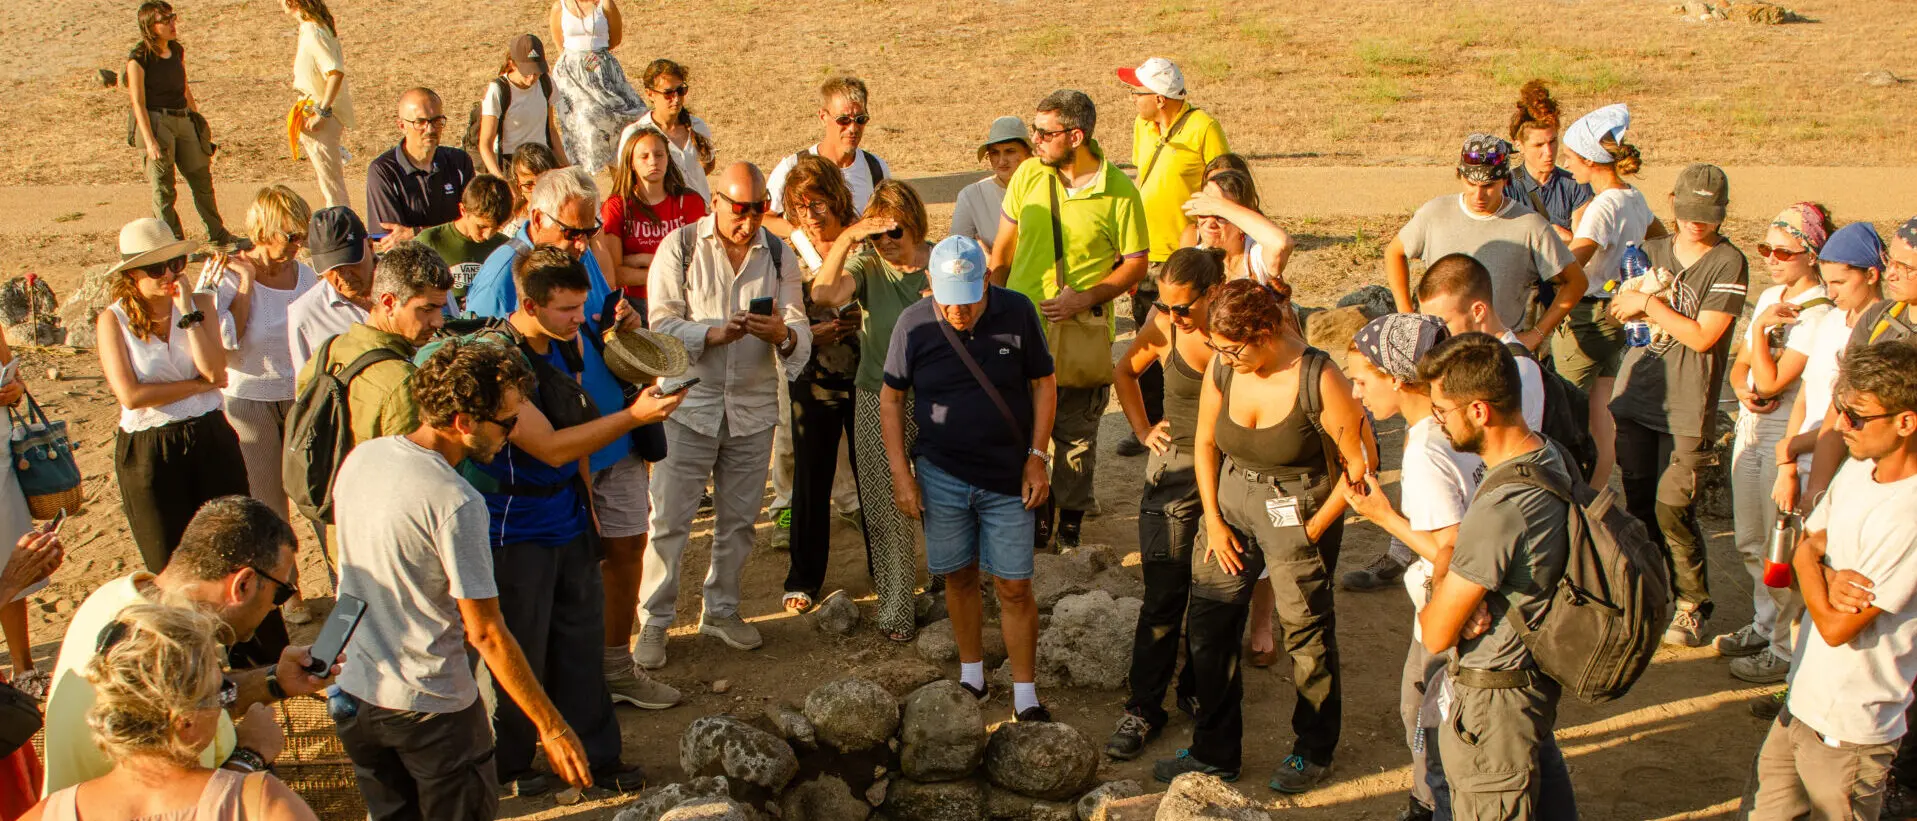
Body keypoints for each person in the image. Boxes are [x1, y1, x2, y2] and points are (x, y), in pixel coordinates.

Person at [331, 338, 591, 818]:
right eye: (506, 422)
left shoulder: (362, 459)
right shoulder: (457, 502)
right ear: (464, 423)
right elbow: (486, 631)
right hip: (433, 711)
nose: (512, 434)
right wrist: (551, 727)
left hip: (358, 696)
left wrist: (323, 658)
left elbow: (350, 580)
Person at [462, 248, 681, 794]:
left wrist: (588, 512)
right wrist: (633, 417)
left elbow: (574, 430)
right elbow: (552, 447)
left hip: (565, 517)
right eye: (565, 309)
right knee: (521, 648)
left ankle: (598, 759)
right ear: (529, 305)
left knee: (580, 643)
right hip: (513, 528)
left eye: (582, 306)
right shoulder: (498, 360)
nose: (578, 319)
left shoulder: (565, 343)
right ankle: (510, 767)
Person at [1163, 279, 1373, 793]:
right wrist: (1212, 518)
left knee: (1306, 633)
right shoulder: (1222, 366)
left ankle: (1312, 750)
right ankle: (1215, 751)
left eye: (1234, 349)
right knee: (1210, 624)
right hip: (1232, 500)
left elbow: (1362, 466)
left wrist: (1315, 528)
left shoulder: (1319, 378)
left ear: (1267, 330)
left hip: (1297, 507)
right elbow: (1207, 441)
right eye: (1218, 347)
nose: (1225, 358)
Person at [42, 496, 335, 795]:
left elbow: (200, 694)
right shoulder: (168, 654)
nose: (275, 607)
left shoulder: (116, 598)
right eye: (280, 593)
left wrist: (275, 681)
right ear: (243, 584)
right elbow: (182, 805)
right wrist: (250, 755)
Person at [640, 163, 811, 668]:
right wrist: (713, 333)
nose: (751, 220)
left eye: (760, 209)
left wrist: (781, 333)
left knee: (738, 524)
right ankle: (653, 621)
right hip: (688, 406)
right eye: (741, 209)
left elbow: (797, 323)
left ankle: (721, 610)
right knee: (669, 521)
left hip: (752, 409)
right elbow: (660, 323)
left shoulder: (779, 253)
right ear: (715, 201)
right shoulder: (681, 246)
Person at [882, 235, 1056, 720]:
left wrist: (1037, 456)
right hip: (942, 473)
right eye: (948, 300)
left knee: (1014, 585)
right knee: (957, 576)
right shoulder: (913, 324)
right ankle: (971, 674)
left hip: (1008, 475)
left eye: (969, 299)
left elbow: (1044, 383)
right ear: (931, 285)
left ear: (986, 280)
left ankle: (1026, 694)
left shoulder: (1018, 311)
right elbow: (891, 399)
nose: (959, 312)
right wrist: (902, 474)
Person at [1746, 343, 1917, 820]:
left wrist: (1809, 562)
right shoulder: (1860, 471)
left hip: (1851, 731)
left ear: (1905, 422)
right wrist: (1817, 565)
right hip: (1802, 703)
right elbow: (1808, 541)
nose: (1840, 426)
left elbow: (1837, 628)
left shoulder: (1910, 515)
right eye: (1840, 410)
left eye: (1856, 417)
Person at [1417, 332, 1578, 819]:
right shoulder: (1547, 455)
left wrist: (1443, 577)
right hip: (1533, 679)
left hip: (1495, 698)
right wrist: (1457, 568)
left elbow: (1436, 630)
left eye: (1442, 410)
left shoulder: (1502, 508)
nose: (1436, 421)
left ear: (1479, 411)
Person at [989, 89, 1149, 549]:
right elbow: (1003, 249)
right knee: (1019, 425)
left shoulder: (1119, 191)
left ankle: (1072, 526)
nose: (1033, 139)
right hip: (1019, 332)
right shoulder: (1027, 177)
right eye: (1034, 129)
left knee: (1076, 433)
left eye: (1043, 132)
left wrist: (1086, 298)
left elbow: (1137, 263)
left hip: (1079, 333)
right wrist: (993, 310)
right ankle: (1037, 519)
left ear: (1075, 136)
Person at [1608, 163, 1748, 647]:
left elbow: (1704, 336)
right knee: (1641, 504)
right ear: (1672, 202)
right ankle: (1654, 593)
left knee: (1675, 508)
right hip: (1638, 395)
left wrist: (1649, 304)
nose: (1697, 222)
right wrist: (1625, 301)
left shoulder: (1729, 262)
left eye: (1708, 214)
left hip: (1689, 405)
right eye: (1689, 211)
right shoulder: (1647, 252)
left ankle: (1693, 603)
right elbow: (1619, 314)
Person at [1338, 313, 1469, 821]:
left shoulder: (1425, 451)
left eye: (1362, 379)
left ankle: (1432, 806)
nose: (1355, 392)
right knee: (1419, 706)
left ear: (1396, 377)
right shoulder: (1450, 426)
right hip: (1455, 612)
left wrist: (1381, 516)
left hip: (1449, 615)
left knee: (1428, 714)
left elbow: (1449, 552)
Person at [26, 605, 318, 821]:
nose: (224, 708)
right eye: (222, 692)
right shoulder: (262, 804)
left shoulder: (46, 814)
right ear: (185, 720)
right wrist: (248, 761)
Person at [1104, 247, 1224, 760]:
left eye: (1181, 307)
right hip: (1174, 472)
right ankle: (1143, 708)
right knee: (1163, 593)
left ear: (1214, 293)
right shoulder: (1168, 329)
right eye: (1165, 306)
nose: (1171, 316)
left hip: (1226, 474)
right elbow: (1124, 371)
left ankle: (1198, 690)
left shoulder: (1237, 332)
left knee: (1216, 593)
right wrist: (1142, 428)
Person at [807, 179, 934, 638]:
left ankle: (944, 588)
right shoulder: (867, 264)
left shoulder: (941, 261)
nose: (885, 243)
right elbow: (824, 295)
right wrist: (846, 238)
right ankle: (898, 608)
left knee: (943, 497)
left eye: (893, 232)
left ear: (915, 224)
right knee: (885, 505)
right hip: (878, 396)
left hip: (938, 396)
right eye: (875, 234)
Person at [1714, 203, 1835, 684]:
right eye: (1766, 248)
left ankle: (1786, 649)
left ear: (1812, 254)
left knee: (1778, 549)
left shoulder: (1819, 312)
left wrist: (1761, 335)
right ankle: (1765, 625)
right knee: (1748, 540)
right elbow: (1743, 371)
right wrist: (1746, 387)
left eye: (1784, 251)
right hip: (1751, 428)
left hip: (1787, 438)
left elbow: (1771, 379)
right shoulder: (1770, 296)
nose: (1771, 258)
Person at [97, 219, 245, 574]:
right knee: (167, 562)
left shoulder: (200, 306)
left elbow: (216, 373)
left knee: (234, 552)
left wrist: (188, 314)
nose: (169, 274)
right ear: (132, 275)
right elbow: (131, 396)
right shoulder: (113, 321)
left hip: (210, 435)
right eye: (155, 268)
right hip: (150, 448)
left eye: (176, 264)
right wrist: (195, 387)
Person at [201, 186, 318, 622]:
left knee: (315, 493)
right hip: (248, 399)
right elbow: (224, 341)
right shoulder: (225, 275)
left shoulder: (304, 275)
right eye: (291, 235)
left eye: (302, 235)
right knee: (268, 506)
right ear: (265, 230)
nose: (297, 245)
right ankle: (288, 595)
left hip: (298, 397)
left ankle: (342, 581)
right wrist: (247, 286)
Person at [1385, 133, 1587, 349]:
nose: (1478, 195)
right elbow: (1394, 252)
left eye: (1489, 185)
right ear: (1459, 175)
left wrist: (1537, 334)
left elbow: (1576, 282)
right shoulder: (1434, 213)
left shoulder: (1531, 226)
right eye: (1471, 184)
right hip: (1440, 347)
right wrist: (1406, 314)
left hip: (1497, 350)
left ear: (1506, 180)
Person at [769, 154, 864, 596]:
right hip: (811, 374)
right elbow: (776, 316)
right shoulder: (786, 252)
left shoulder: (863, 240)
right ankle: (803, 580)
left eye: (818, 203)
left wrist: (859, 319)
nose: (809, 215)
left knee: (873, 479)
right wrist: (810, 333)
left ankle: (887, 571)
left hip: (868, 373)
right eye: (800, 206)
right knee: (811, 480)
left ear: (837, 199)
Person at [1557, 103, 1663, 489]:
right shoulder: (1633, 197)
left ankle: (1570, 488)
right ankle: (1599, 489)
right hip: (1619, 311)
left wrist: (1556, 247)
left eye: (1571, 157)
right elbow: (1658, 234)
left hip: (1589, 317)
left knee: (1566, 406)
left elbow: (1575, 264)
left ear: (1589, 159)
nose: (1566, 164)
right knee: (1602, 409)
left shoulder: (1602, 206)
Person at [295, 242, 452, 447]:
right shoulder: (403, 383)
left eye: (440, 309)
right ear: (388, 303)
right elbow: (408, 470)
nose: (438, 321)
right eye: (427, 309)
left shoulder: (328, 351)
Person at [125, 1, 234, 248]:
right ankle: (171, 244)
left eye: (173, 17)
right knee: (164, 189)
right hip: (156, 122)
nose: (173, 24)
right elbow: (138, 103)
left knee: (201, 179)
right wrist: (150, 141)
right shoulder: (139, 58)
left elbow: (185, 88)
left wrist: (197, 121)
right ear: (151, 27)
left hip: (183, 119)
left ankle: (217, 235)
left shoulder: (177, 51)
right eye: (165, 20)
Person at [1416, 255, 1546, 432]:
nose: (1435, 335)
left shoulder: (1515, 370)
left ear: (1478, 311)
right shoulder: (1479, 360)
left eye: (1443, 323)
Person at [465, 167, 616, 321]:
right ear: (538, 220)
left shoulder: (576, 252)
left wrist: (622, 323)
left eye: (590, 232)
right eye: (572, 233)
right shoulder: (499, 280)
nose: (583, 245)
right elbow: (479, 341)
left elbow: (602, 310)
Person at [765, 76, 892, 237]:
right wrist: (801, 234)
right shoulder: (792, 167)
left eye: (861, 119)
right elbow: (763, 219)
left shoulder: (876, 169)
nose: (853, 128)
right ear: (823, 117)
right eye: (843, 120)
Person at [596, 126, 707, 306]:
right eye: (644, 156)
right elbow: (615, 274)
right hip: (635, 302)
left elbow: (700, 264)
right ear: (631, 162)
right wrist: (671, 269)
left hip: (683, 299)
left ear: (668, 159)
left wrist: (640, 260)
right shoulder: (617, 206)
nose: (653, 161)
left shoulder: (690, 201)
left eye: (659, 155)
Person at [365, 88, 475, 250]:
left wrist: (416, 232)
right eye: (420, 122)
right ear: (402, 125)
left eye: (437, 121)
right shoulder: (383, 171)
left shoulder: (460, 162)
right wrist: (453, 229)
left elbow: (474, 224)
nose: (430, 130)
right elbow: (394, 243)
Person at [547, 0, 645, 174]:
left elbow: (615, 39)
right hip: (571, 75)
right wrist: (578, 62)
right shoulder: (559, 7)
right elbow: (559, 43)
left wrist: (594, 57)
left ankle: (620, 176)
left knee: (629, 117)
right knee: (585, 121)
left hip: (603, 70)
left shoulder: (606, 4)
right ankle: (584, 178)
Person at [282, 0, 352, 209]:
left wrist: (322, 111)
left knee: (331, 186)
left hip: (319, 116)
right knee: (329, 182)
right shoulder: (314, 28)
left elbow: (335, 72)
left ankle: (342, 232)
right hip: (313, 111)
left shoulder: (313, 30)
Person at [286, 206, 374, 373]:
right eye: (332, 269)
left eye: (350, 263)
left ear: (370, 247)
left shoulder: (408, 287)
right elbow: (307, 390)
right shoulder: (305, 315)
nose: (343, 276)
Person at [1503, 80, 1591, 242]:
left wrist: (1569, 238)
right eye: (1539, 145)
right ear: (1519, 145)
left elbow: (1583, 245)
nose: (1549, 152)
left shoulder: (1576, 186)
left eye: (1552, 142)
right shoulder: (1505, 188)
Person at [616, 60, 716, 200]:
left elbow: (709, 163)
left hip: (700, 215)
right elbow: (626, 181)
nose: (676, 99)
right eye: (668, 93)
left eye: (681, 91)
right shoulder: (635, 134)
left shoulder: (698, 126)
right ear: (650, 94)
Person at [414, 174, 512, 308]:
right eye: (482, 226)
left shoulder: (505, 247)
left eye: (496, 228)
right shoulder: (429, 241)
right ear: (463, 210)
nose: (488, 235)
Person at [476, 34, 567, 178]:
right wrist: (502, 181)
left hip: (542, 159)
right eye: (527, 72)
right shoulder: (498, 90)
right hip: (512, 164)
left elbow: (550, 129)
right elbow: (485, 144)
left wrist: (566, 166)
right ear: (512, 64)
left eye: (536, 72)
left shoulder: (546, 83)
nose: (532, 78)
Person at [1185, 169, 1294, 285]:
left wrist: (1220, 207)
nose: (1210, 223)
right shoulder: (1194, 260)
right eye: (1204, 212)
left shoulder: (1255, 256)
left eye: (1221, 216)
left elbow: (1281, 244)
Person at [951, 117, 1032, 248]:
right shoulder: (971, 196)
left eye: (1010, 151)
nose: (1002, 161)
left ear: (1028, 152)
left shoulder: (1044, 188)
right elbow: (957, 250)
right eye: (994, 153)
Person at [505, 144, 560, 235]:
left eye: (542, 183)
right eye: (529, 185)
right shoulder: (511, 222)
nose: (536, 191)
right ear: (518, 184)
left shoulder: (568, 214)